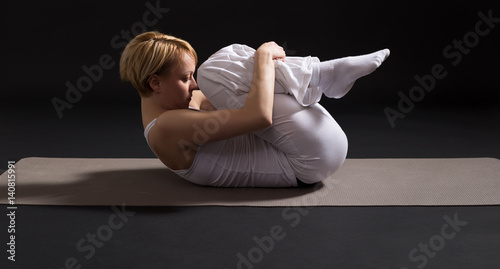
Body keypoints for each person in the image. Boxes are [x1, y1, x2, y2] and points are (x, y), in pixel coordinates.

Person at [119, 31, 390, 187]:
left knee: (222, 68)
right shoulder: (166, 128)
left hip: (314, 149)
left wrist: (259, 71)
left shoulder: (175, 111)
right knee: (213, 73)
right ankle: (321, 74)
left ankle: (321, 74)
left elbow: (235, 92)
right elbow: (259, 116)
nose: (194, 84)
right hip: (308, 160)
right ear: (155, 82)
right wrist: (262, 57)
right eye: (185, 78)